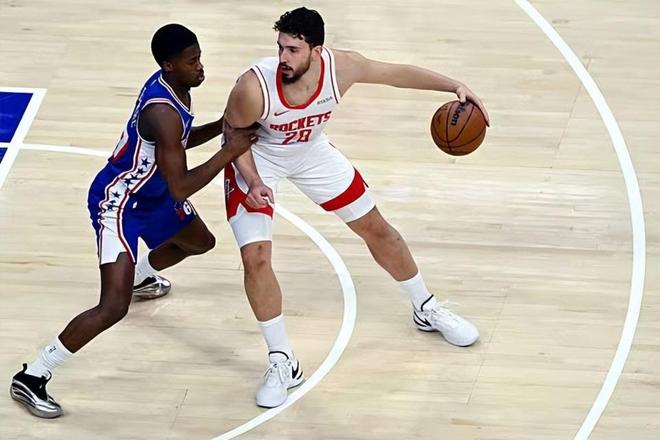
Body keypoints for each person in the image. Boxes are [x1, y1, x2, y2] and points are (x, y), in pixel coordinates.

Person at [222, 7, 491, 409]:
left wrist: (455, 86)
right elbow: (232, 134)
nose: (284, 58)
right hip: (258, 159)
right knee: (256, 258)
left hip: (311, 153)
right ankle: (282, 360)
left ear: (316, 50)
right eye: (280, 48)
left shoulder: (342, 68)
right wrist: (255, 181)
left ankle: (426, 307)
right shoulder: (253, 86)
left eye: (293, 50)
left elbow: (396, 74)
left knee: (376, 228)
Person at [10, 23, 256, 418]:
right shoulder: (162, 112)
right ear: (169, 65)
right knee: (113, 306)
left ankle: (140, 275)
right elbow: (181, 186)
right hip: (120, 204)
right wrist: (230, 149)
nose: (200, 67)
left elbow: (177, 141)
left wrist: (220, 128)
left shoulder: (176, 88)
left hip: (154, 192)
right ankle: (33, 375)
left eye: (199, 57)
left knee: (199, 241)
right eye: (192, 61)